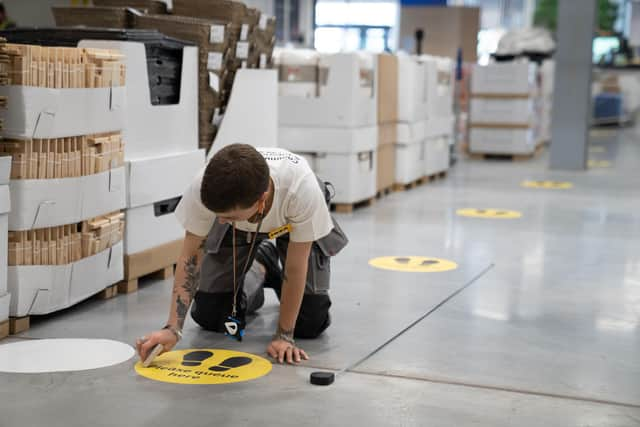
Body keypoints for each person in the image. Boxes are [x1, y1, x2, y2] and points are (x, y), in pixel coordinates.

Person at [137, 144, 347, 365]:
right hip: (240, 224)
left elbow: (295, 267)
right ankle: (261, 265)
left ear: (261, 200)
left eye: (228, 216)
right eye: (218, 215)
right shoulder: (204, 188)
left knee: (311, 324)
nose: (220, 221)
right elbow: (190, 256)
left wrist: (284, 336)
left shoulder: (303, 190)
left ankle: (266, 263)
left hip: (293, 218)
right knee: (212, 316)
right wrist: (173, 328)